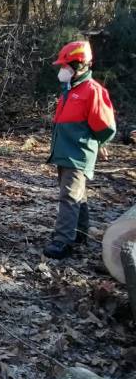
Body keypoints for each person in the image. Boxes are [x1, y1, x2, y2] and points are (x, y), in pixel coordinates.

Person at [44, 40, 116, 260]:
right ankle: (80, 233)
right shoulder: (71, 89)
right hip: (65, 152)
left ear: (79, 66)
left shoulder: (92, 91)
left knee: (69, 197)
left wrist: (100, 143)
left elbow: (105, 125)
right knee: (78, 194)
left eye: (65, 66)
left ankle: (63, 241)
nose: (62, 70)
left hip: (78, 153)